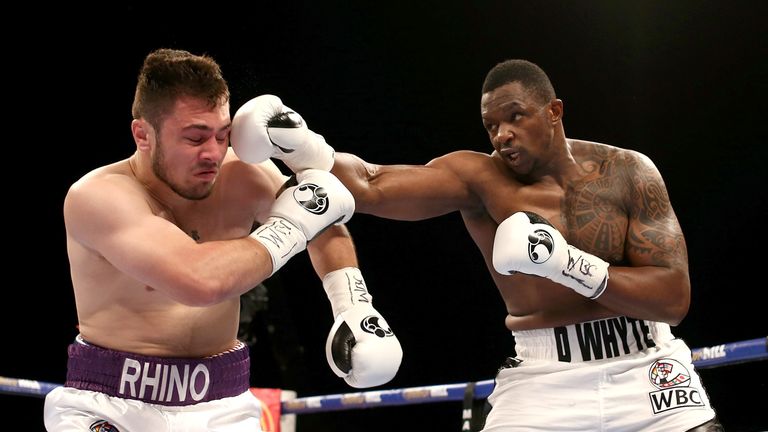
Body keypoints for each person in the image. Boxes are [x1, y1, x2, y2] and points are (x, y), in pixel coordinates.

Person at [231, 60, 723, 431]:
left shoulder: (628, 173)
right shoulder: (481, 179)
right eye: (492, 125)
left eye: (516, 117)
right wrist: (301, 144)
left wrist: (567, 264)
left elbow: (673, 300)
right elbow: (370, 184)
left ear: (554, 112)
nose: (503, 134)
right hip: (542, 379)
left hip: (647, 367)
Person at [44, 48, 402, 432]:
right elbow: (199, 280)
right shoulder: (98, 197)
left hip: (223, 403)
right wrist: (292, 225)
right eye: (195, 138)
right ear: (142, 134)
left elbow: (323, 217)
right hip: (113, 406)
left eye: (222, 135)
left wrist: (351, 303)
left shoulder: (242, 175)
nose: (213, 153)